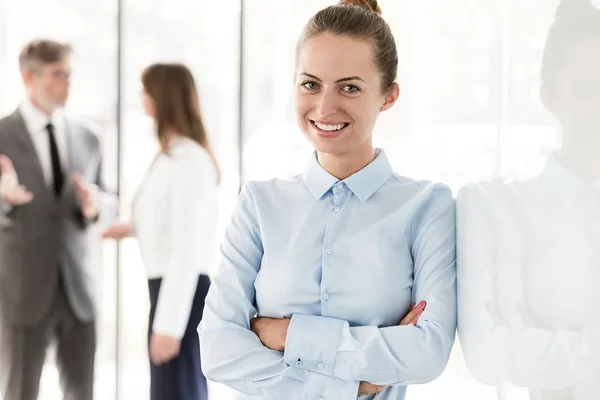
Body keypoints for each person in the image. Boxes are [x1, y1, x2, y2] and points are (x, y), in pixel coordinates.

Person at [199, 1, 457, 399]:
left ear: (388, 96)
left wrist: (289, 335)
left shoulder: (426, 207)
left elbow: (428, 352)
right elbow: (218, 350)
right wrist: (355, 385)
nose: (324, 107)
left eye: (350, 87)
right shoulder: (259, 203)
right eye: (310, 84)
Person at [457, 0, 600, 398]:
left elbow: (515, 351)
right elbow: (488, 355)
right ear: (550, 97)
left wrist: (545, 347)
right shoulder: (501, 208)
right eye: (587, 89)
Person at [0, 39, 116, 400]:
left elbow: (108, 202)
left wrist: (94, 207)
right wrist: (4, 199)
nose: (67, 83)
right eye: (57, 74)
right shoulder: (2, 136)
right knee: (20, 391)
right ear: (28, 78)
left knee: (82, 391)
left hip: (78, 292)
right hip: (23, 292)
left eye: (70, 74)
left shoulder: (89, 137)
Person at [102, 63, 219, 400]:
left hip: (180, 292)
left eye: (146, 91)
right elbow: (164, 221)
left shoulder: (188, 160)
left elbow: (187, 245)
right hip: (166, 290)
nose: (142, 99)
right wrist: (128, 229)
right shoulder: (170, 156)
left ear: (162, 97)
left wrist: (168, 326)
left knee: (178, 391)